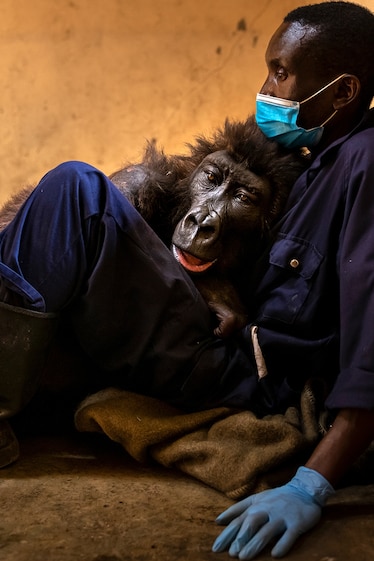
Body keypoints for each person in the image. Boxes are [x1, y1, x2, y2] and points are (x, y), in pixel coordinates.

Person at [0, 0, 373, 558]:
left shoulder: (365, 163)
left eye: (281, 71)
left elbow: (372, 333)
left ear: (342, 91)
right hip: (216, 338)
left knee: (78, 192)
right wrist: (205, 285)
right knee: (88, 202)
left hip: (242, 376)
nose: (267, 85)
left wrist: (311, 484)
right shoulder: (311, 156)